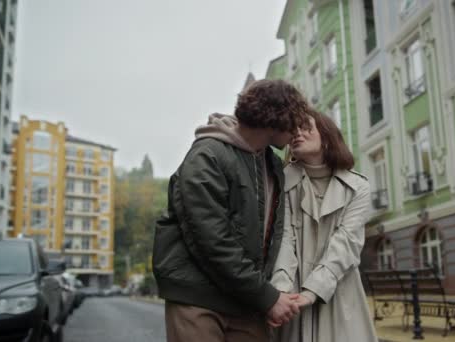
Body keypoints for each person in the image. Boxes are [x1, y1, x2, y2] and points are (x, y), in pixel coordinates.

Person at [154, 79, 311, 342]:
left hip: (247, 300)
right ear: (277, 118)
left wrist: (262, 295)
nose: (297, 131)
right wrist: (267, 296)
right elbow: (212, 241)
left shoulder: (271, 164)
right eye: (295, 121)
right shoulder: (207, 156)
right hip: (199, 298)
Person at [270, 111, 378, 342]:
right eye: (293, 128)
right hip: (292, 295)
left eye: (306, 127)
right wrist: (281, 291)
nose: (297, 132)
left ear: (327, 137)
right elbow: (284, 238)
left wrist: (313, 291)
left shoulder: (357, 186)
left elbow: (346, 243)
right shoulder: (282, 180)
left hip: (339, 291)